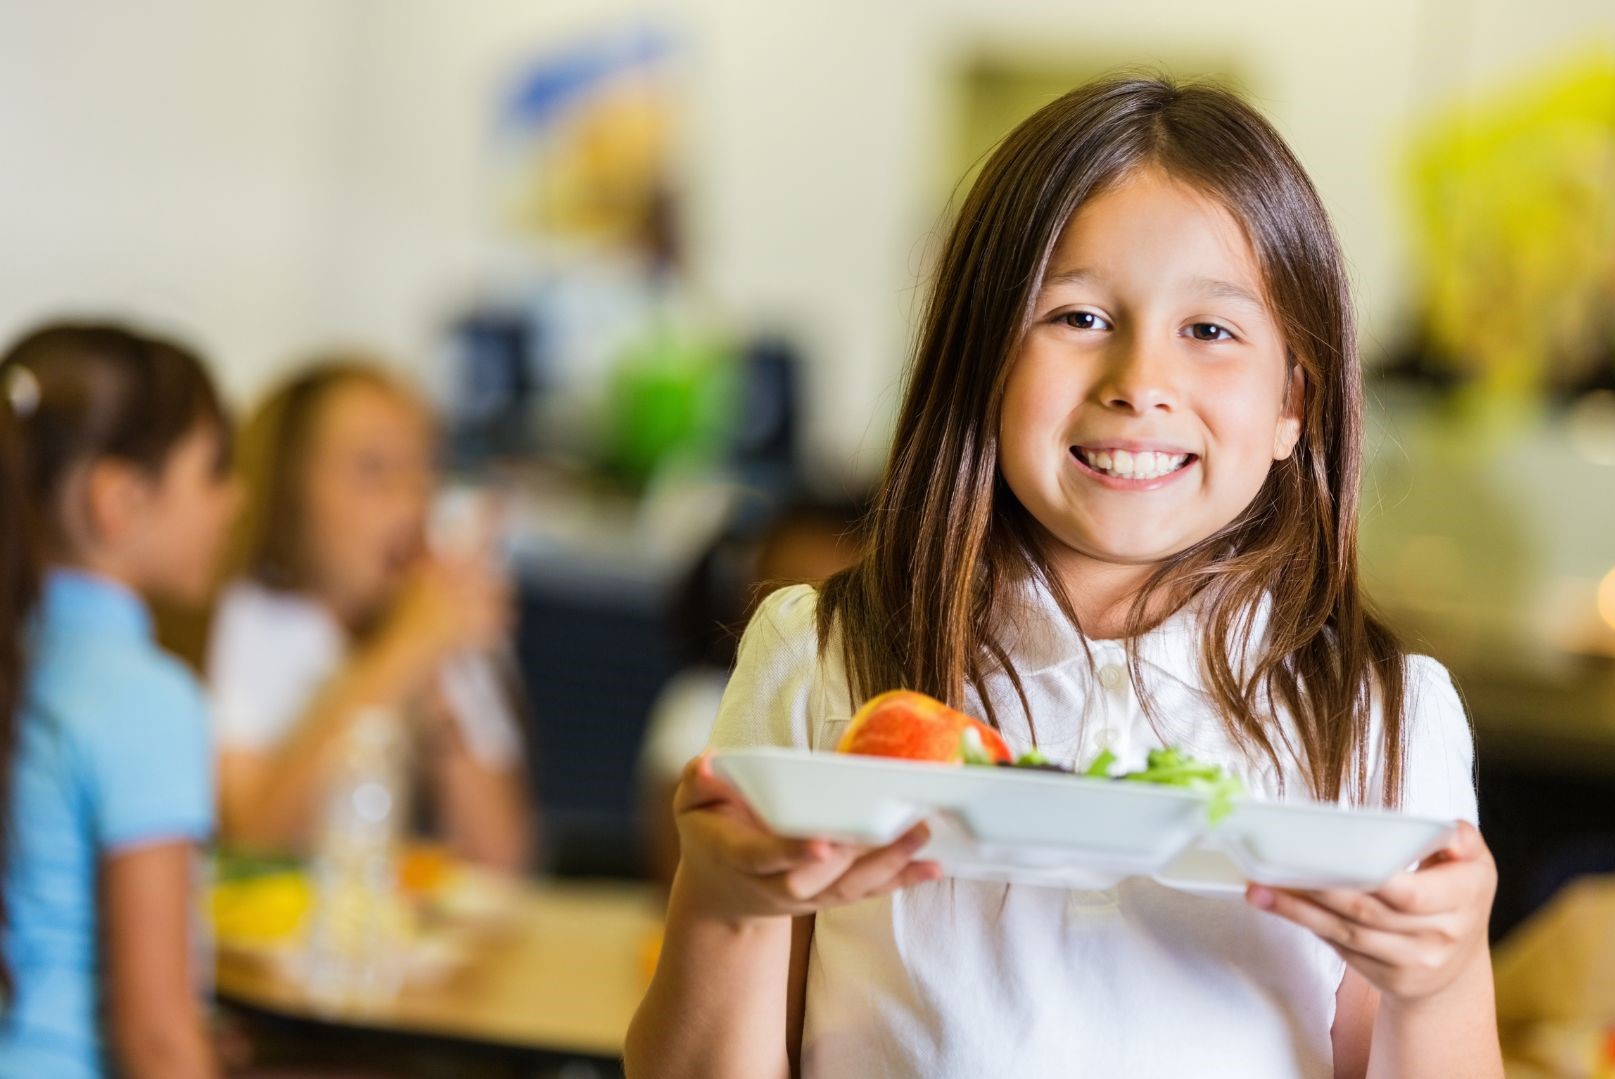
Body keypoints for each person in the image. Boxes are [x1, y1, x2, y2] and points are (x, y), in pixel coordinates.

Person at [627, 76, 1502, 1078]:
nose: (1139, 382)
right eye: (1078, 316)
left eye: (1209, 331)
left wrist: (1440, 981)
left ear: (1291, 402)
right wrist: (725, 902)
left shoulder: (1384, 716)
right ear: (981, 361)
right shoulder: (820, 655)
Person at [0, 322, 237, 1077]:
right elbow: (157, 1042)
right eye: (215, 471)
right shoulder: (148, 698)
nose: (236, 501)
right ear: (119, 501)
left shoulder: (22, 659)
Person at [207, 361, 532, 872]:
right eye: (373, 470)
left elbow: (503, 861)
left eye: (425, 467)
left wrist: (436, 676)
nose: (410, 499)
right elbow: (254, 836)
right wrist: (402, 652)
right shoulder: (259, 620)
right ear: (288, 487)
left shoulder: (434, 621)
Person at [638, 497, 865, 887]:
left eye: (837, 604)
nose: (808, 632)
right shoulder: (699, 704)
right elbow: (682, 863)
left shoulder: (876, 707)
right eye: (792, 597)